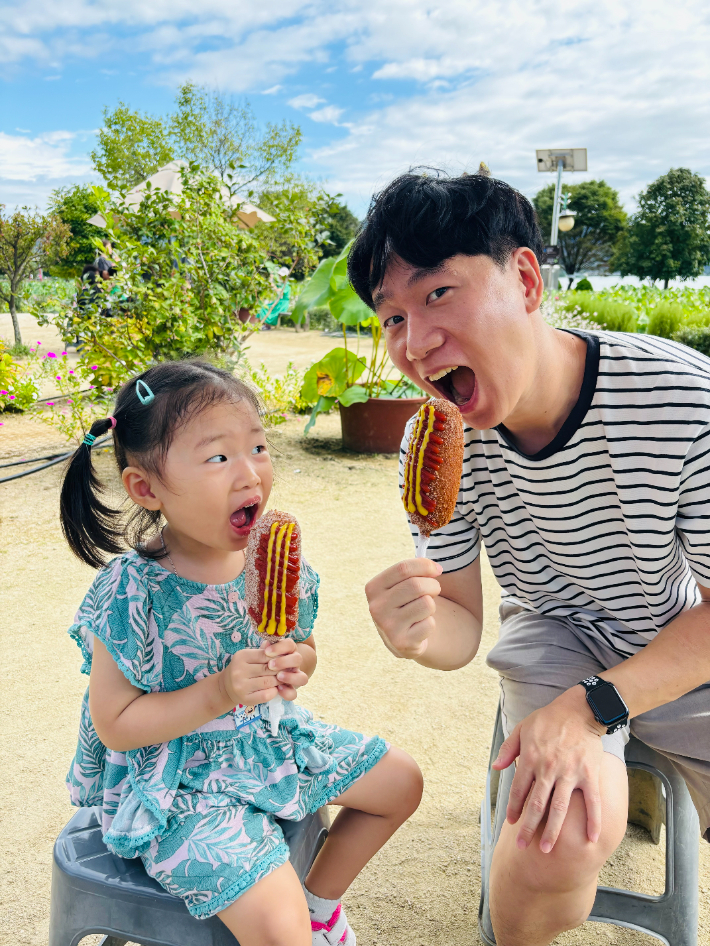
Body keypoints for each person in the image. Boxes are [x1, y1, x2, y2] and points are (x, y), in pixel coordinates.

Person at [352, 171, 710, 946]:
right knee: (558, 841)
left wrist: (597, 707)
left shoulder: (683, 401)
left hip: (679, 637)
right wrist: (416, 632)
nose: (414, 345)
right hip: (553, 633)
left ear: (523, 278)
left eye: (437, 294)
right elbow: (458, 630)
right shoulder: (436, 443)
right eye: (390, 320)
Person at [60, 360, 422, 946]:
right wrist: (219, 691)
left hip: (265, 742)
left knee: (401, 782)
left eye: (258, 445)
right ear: (146, 487)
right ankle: (294, 919)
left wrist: (296, 664)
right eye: (218, 457)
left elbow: (303, 648)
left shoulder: (273, 562)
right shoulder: (132, 590)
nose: (250, 472)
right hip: (177, 783)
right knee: (280, 934)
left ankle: (319, 903)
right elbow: (117, 726)